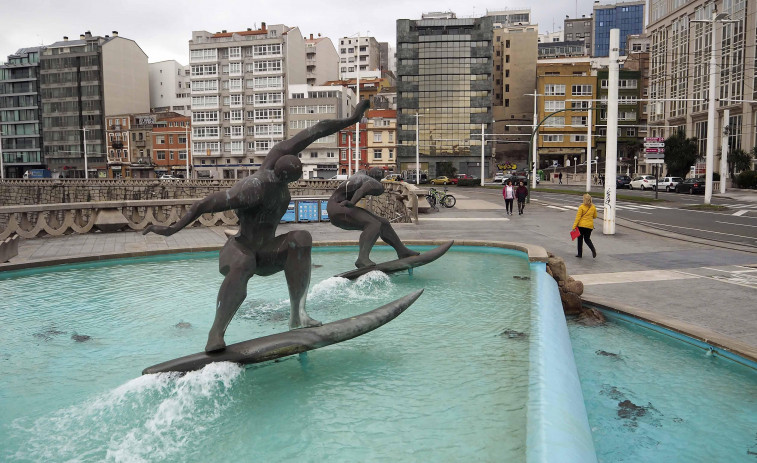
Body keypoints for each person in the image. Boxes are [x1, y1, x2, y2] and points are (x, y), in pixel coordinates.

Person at [143, 100, 371, 353]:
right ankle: (216, 332)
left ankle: (298, 314)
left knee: (301, 238)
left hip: (266, 251)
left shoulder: (279, 156)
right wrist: (173, 229)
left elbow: (317, 129)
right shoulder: (254, 188)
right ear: (285, 175)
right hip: (239, 249)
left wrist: (351, 120)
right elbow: (207, 203)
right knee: (244, 263)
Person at [327, 167, 420, 268]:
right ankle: (362, 259)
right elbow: (362, 190)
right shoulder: (373, 182)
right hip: (340, 207)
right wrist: (352, 202)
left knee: (383, 223)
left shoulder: (359, 176)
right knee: (374, 224)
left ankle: (402, 251)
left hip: (335, 207)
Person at [572, 193, 598, 259]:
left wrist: (574, 226)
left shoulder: (581, 207)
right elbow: (595, 216)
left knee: (580, 240)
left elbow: (578, 217)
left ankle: (579, 254)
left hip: (581, 226)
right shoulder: (593, 207)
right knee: (587, 239)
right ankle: (593, 249)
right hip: (589, 226)